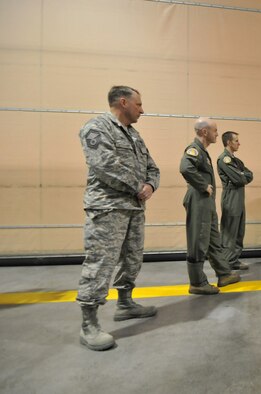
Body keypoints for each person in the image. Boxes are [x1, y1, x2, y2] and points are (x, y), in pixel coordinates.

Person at [77, 86, 160, 351]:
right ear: (123, 102)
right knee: (101, 263)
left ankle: (125, 303)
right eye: (139, 104)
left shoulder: (135, 136)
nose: (142, 110)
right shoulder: (97, 127)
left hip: (134, 209)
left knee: (132, 258)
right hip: (108, 209)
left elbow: (153, 167)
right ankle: (88, 325)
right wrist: (139, 186)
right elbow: (105, 165)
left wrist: (151, 185)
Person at [180, 117, 241, 295]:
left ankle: (224, 274)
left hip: (206, 201)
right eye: (215, 130)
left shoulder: (203, 151)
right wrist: (203, 185)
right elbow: (185, 168)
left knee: (213, 237)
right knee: (198, 239)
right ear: (204, 132)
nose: (217, 134)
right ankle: (197, 282)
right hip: (198, 199)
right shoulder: (194, 150)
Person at [217, 131, 253, 270]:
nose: (239, 143)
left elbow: (249, 175)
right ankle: (225, 264)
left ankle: (234, 260)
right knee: (229, 232)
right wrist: (241, 176)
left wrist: (242, 176)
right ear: (228, 142)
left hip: (239, 196)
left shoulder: (236, 161)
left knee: (239, 231)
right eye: (236, 140)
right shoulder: (224, 159)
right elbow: (240, 179)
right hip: (231, 197)